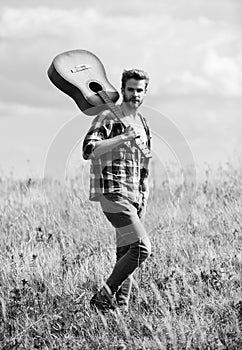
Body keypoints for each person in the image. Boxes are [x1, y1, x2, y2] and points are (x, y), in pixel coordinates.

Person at [82, 69, 152, 312]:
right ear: (123, 90)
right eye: (130, 89)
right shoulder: (108, 117)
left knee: (126, 253)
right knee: (142, 248)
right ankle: (103, 295)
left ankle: (118, 310)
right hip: (113, 193)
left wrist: (144, 196)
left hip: (135, 197)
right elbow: (89, 150)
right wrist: (123, 138)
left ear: (145, 93)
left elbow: (144, 166)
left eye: (139, 90)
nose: (134, 94)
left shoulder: (143, 123)